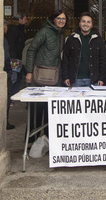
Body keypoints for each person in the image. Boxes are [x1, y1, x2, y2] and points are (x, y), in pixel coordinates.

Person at [25, 9, 68, 142]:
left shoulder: (61, 35)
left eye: (64, 19)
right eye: (59, 18)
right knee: (36, 111)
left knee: (51, 111)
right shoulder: (44, 31)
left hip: (54, 77)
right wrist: (29, 71)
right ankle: (32, 140)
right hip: (40, 76)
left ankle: (49, 141)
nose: (61, 21)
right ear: (53, 19)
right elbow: (32, 49)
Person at [62, 12, 106, 87]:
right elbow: (65, 59)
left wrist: (101, 78)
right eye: (83, 21)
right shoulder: (71, 39)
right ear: (79, 23)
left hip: (94, 81)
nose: (85, 24)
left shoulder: (98, 40)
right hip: (75, 80)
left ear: (92, 25)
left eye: (88, 22)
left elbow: (103, 60)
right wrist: (65, 77)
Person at [6, 13, 28, 105]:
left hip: (16, 58)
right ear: (20, 19)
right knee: (14, 78)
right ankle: (11, 97)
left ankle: (12, 97)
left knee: (16, 77)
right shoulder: (14, 30)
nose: (26, 21)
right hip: (15, 59)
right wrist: (14, 59)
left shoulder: (17, 29)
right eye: (25, 19)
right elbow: (12, 45)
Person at [4, 20, 15, 130]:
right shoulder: (3, 40)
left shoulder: (5, 40)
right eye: (5, 25)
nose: (6, 27)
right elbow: (6, 57)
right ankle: (4, 122)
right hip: (5, 73)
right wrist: (9, 70)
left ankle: (5, 121)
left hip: (5, 72)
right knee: (6, 99)